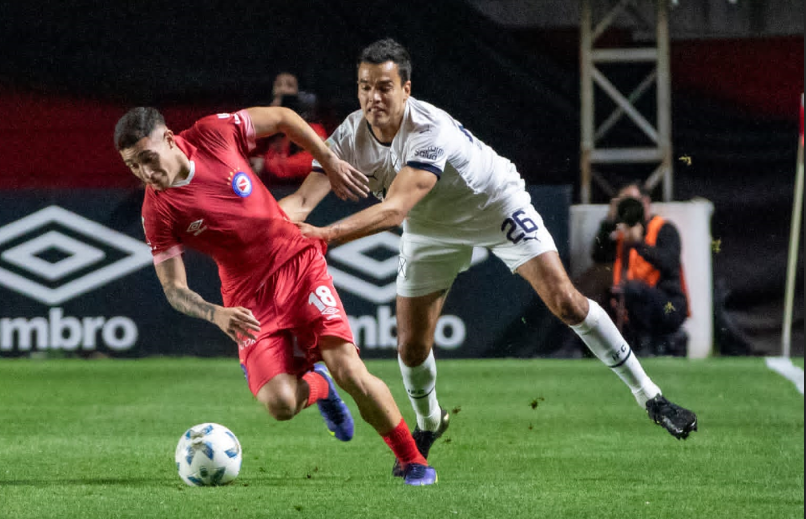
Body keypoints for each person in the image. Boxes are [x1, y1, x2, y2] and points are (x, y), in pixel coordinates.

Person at [279, 38, 698, 476]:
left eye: (384, 87)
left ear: (407, 89)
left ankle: (651, 396)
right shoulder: (349, 134)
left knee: (567, 302)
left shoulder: (428, 129)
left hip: (494, 206)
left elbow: (394, 210)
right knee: (411, 346)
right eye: (364, 86)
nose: (373, 97)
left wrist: (324, 236)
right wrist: (255, 223)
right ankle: (430, 423)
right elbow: (302, 202)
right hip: (430, 226)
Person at [113, 105, 437, 486]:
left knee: (349, 369)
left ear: (169, 140)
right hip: (247, 299)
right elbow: (173, 288)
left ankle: (411, 459)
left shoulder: (213, 133)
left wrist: (329, 161)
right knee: (281, 405)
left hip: (298, 264)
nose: (145, 173)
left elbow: (283, 118)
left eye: (148, 159)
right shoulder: (157, 211)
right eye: (133, 166)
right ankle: (319, 387)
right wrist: (216, 314)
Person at [592, 183, 690, 357]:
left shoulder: (664, 229)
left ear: (645, 202)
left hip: (668, 304)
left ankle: (645, 345)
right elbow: (598, 255)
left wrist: (639, 244)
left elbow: (669, 262)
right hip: (629, 304)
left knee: (635, 290)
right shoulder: (621, 233)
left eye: (632, 202)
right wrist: (609, 221)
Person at [251, 72, 329, 185]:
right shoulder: (264, 128)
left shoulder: (312, 128)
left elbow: (314, 160)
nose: (282, 90)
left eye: (289, 85)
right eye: (278, 85)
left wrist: (267, 165)